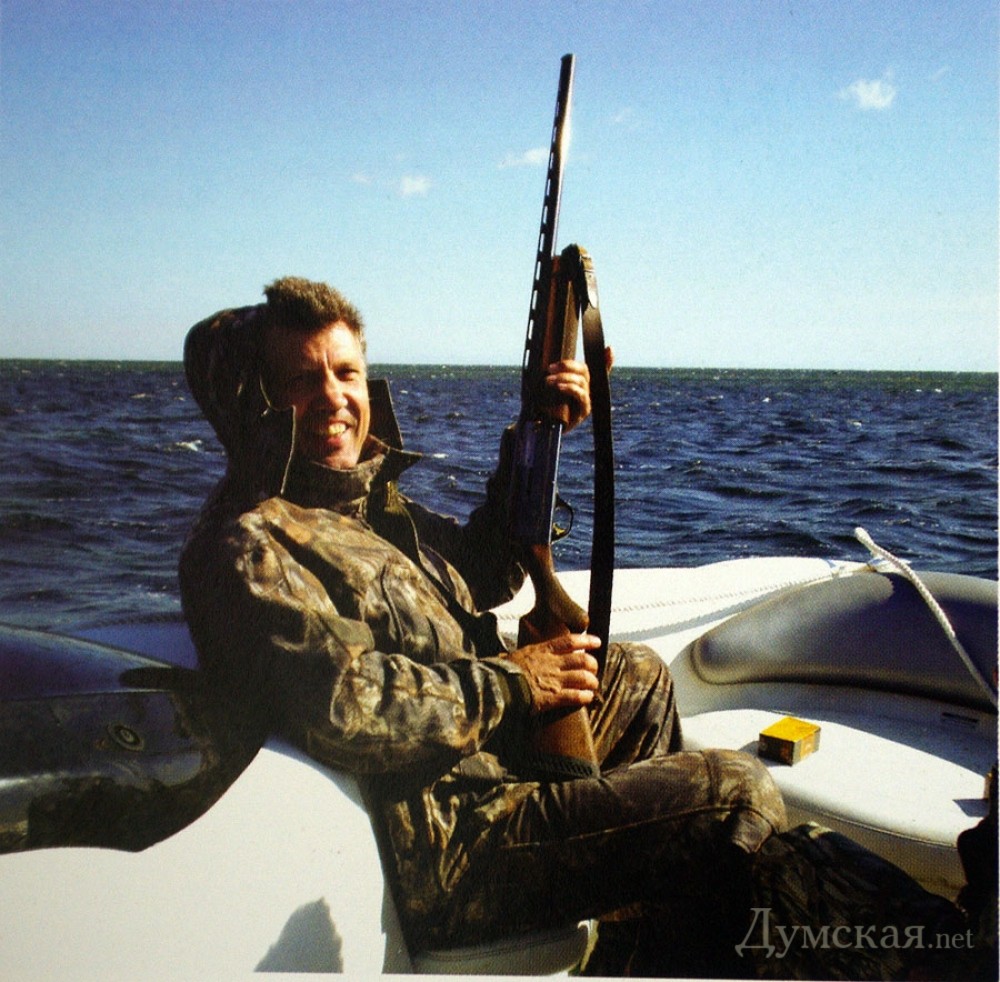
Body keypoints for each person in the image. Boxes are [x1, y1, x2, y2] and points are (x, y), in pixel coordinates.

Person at [180, 276, 963, 978]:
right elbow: (348, 705)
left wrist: (539, 430)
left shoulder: (369, 508)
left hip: (490, 769)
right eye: (302, 380)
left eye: (346, 372)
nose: (334, 397)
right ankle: (926, 953)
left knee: (636, 676)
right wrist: (516, 682)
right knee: (733, 790)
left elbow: (486, 569)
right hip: (453, 848)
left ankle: (640, 946)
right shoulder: (251, 544)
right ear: (260, 400)